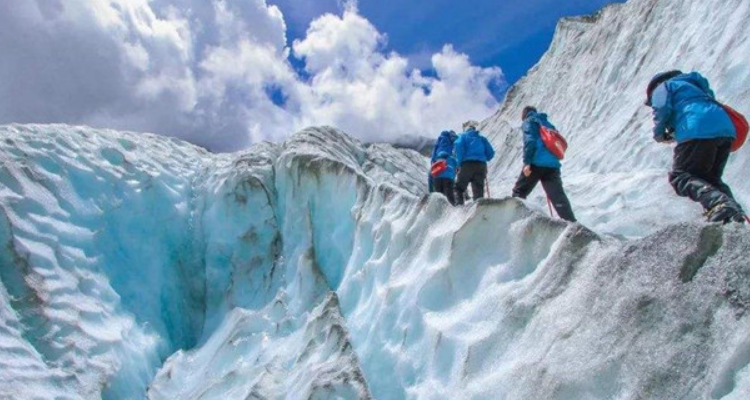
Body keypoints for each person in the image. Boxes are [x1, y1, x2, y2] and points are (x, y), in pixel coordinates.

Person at [645, 70, 745, 223]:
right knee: (711, 179)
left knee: (680, 177)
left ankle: (720, 205)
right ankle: (736, 216)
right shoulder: (696, 86)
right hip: (725, 129)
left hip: (697, 128)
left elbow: (661, 107)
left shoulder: (664, 86)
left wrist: (659, 133)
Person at [512, 106, 576, 222]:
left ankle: (514, 221)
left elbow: (530, 141)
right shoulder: (547, 123)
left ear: (524, 114)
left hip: (536, 163)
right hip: (553, 165)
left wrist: (527, 163)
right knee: (558, 197)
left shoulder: (528, 121)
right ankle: (572, 223)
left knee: (519, 191)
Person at [454, 120, 495, 205]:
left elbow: (458, 148)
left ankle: (458, 209)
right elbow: (491, 153)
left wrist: (458, 164)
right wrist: (484, 158)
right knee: (478, 193)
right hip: (481, 166)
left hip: (467, 165)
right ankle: (479, 210)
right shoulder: (482, 138)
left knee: (458, 188)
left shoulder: (463, 137)